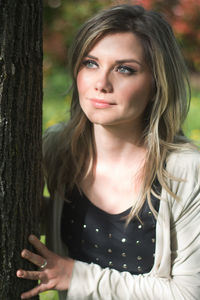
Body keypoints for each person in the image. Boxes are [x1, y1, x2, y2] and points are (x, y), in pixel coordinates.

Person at [16, 4, 200, 300]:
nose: (101, 83)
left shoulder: (185, 172)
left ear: (156, 83)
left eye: (125, 69)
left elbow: (188, 293)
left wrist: (75, 275)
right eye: (91, 63)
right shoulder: (58, 150)